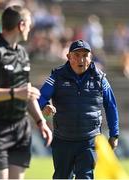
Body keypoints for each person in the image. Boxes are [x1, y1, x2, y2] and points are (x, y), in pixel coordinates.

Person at [0, 6, 52, 180]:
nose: (31, 29)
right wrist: (15, 93)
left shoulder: (23, 53)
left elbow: (27, 93)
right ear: (22, 25)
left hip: (20, 129)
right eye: (30, 25)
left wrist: (41, 122)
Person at [38, 39, 119, 179]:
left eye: (85, 55)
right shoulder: (57, 77)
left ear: (90, 57)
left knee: (85, 177)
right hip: (63, 140)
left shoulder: (100, 79)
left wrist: (114, 134)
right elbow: (40, 97)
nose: (81, 59)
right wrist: (44, 106)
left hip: (89, 141)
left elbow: (111, 105)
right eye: (76, 55)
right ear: (69, 57)